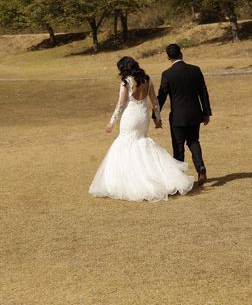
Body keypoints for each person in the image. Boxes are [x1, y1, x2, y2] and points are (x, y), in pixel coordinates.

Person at [89, 57, 195, 202]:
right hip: (143, 116)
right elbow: (155, 102)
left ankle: (127, 181)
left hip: (131, 116)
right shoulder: (147, 79)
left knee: (125, 144)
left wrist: (111, 122)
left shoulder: (126, 82)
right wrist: (157, 119)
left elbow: (121, 104)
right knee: (141, 143)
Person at [156, 43, 212, 186]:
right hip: (194, 114)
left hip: (178, 117)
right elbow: (203, 92)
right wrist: (206, 113)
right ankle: (201, 167)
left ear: (168, 57)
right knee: (194, 141)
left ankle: (180, 178)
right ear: (181, 54)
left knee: (178, 146)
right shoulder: (195, 70)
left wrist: (155, 114)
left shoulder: (167, 74)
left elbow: (161, 96)